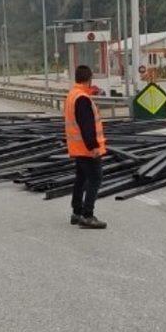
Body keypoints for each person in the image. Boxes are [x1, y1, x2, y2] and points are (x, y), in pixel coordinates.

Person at [63, 64, 108, 229]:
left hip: (77, 148)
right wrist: (93, 147)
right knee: (95, 179)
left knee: (81, 179)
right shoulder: (82, 98)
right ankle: (87, 215)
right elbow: (86, 125)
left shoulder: (72, 95)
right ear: (89, 79)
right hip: (86, 149)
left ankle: (76, 212)